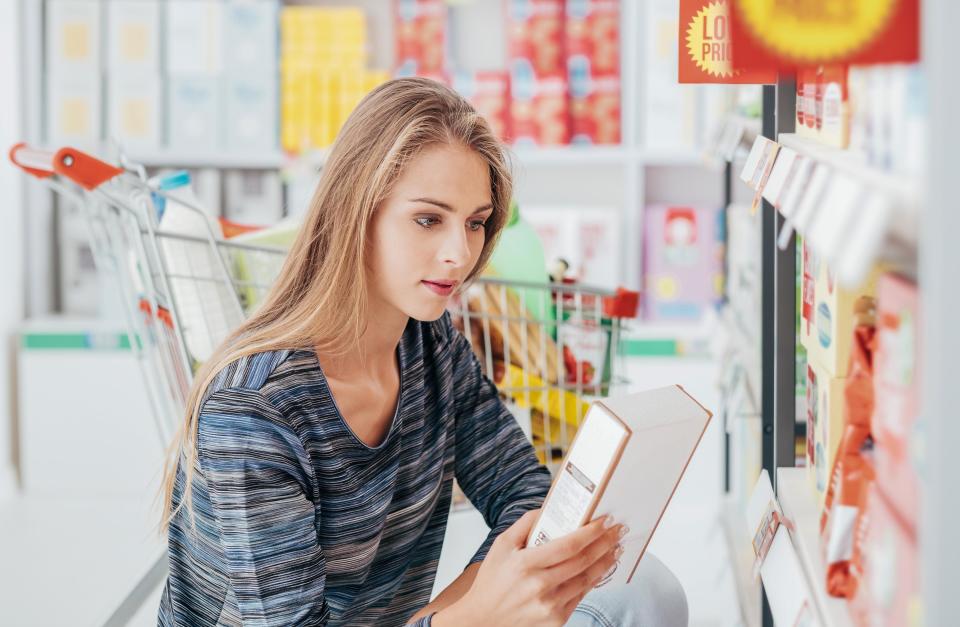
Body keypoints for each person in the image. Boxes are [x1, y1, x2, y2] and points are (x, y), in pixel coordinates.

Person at [157, 77, 687, 626]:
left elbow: (524, 493)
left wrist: (466, 611)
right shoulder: (253, 411)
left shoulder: (428, 343)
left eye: (475, 223)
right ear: (354, 213)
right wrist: (471, 618)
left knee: (645, 589)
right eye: (428, 219)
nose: (459, 253)